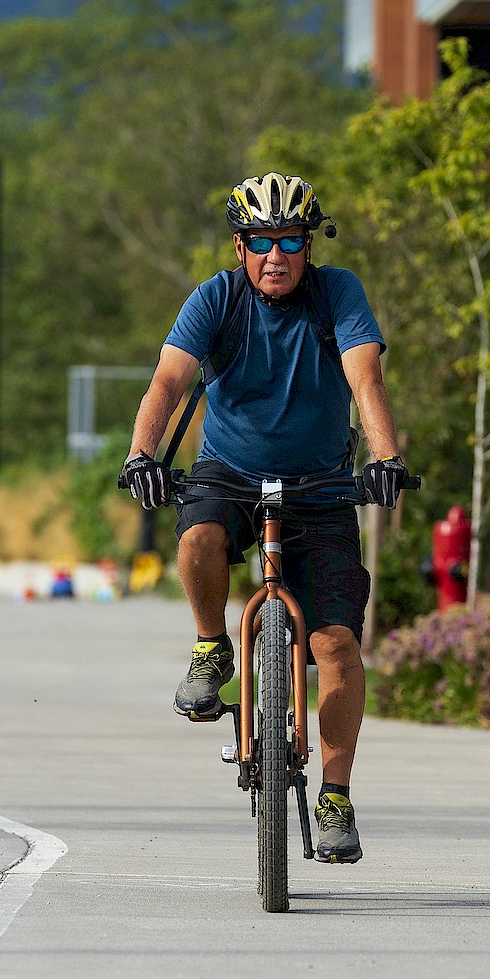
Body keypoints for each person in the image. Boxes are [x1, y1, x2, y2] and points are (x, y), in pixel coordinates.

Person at [122, 172, 407, 866]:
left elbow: (365, 377)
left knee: (336, 644)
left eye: (288, 241)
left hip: (322, 485)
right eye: (259, 242)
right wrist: (141, 455)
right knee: (198, 536)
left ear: (309, 245)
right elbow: (168, 380)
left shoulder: (337, 294)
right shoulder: (215, 299)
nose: (274, 255)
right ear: (239, 245)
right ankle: (209, 646)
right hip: (230, 473)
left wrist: (386, 457)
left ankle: (334, 797)